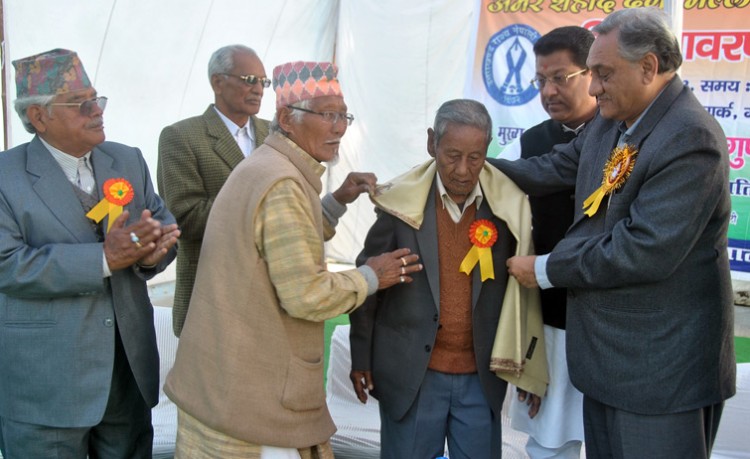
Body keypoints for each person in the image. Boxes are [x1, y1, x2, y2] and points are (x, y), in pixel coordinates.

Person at [490, 7, 736, 458]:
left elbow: (644, 249)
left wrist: (545, 269)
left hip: (660, 375)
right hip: (605, 366)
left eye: (603, 73)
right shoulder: (612, 121)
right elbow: (555, 167)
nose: (594, 86)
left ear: (649, 66)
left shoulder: (689, 137)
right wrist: (473, 167)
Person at [164, 61, 422, 458]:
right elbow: (306, 294)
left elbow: (282, 243)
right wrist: (372, 275)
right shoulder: (282, 182)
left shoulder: (268, 166)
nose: (339, 127)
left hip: (225, 383)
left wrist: (336, 203)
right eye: (328, 115)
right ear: (286, 118)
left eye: (344, 116)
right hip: (254, 396)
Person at [0, 49, 179, 458]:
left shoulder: (126, 159)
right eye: (78, 103)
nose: (95, 110)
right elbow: (6, 265)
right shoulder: (5, 176)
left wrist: (152, 253)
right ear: (38, 117)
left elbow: (162, 224)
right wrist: (103, 260)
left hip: (125, 376)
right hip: (47, 385)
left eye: (96, 99)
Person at [350, 99, 542, 459]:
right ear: (431, 144)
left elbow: (523, 295)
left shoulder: (508, 209)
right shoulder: (398, 205)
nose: (464, 170)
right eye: (452, 155)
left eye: (476, 156)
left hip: (480, 379)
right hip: (413, 379)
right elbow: (368, 283)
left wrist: (527, 365)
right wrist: (360, 356)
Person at [505, 26, 597, 459]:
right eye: (541, 80)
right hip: (550, 305)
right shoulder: (536, 141)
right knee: (548, 439)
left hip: (605, 315)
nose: (549, 91)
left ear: (593, 73)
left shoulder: (625, 137)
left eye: (561, 77)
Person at [157, 44, 271, 336]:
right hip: (211, 295)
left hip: (270, 293)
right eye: (249, 80)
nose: (258, 89)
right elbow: (185, 218)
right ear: (217, 82)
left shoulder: (275, 134)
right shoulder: (182, 137)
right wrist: (260, 203)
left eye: (263, 81)